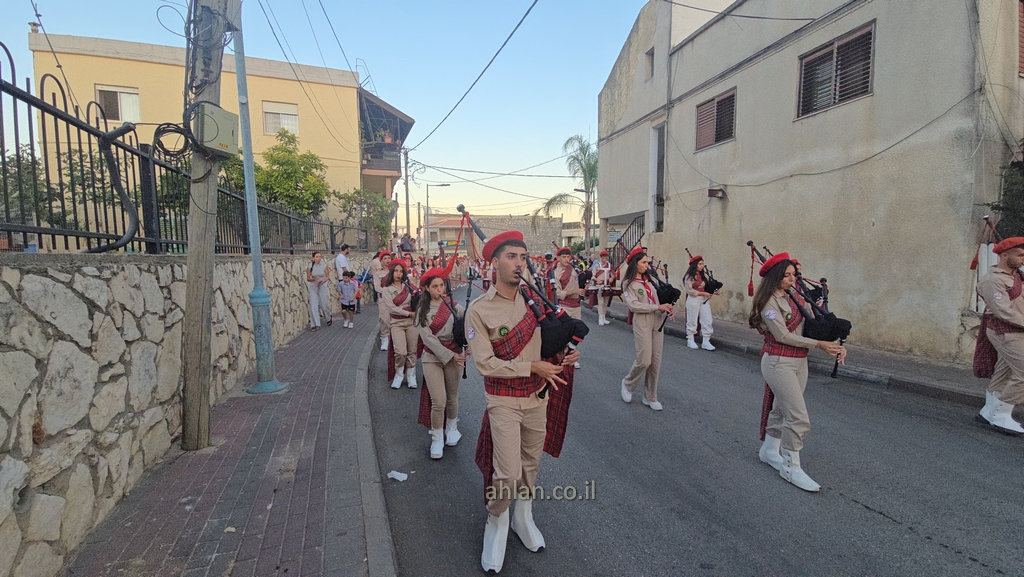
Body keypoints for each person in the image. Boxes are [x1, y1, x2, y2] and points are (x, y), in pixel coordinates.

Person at [468, 231, 579, 573]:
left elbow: (551, 343)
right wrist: (530, 366)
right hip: (503, 401)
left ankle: (523, 516)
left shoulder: (536, 301)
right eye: (511, 256)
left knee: (530, 464)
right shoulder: (479, 310)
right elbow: (484, 363)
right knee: (507, 473)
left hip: (537, 397)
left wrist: (566, 354)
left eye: (523, 257)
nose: (519, 263)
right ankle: (497, 519)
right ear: (495, 262)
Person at [750, 252, 846, 492]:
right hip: (779, 362)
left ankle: (769, 450)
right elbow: (782, 335)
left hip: (799, 361)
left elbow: (811, 328)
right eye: (787, 275)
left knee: (782, 409)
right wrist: (819, 345)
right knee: (798, 417)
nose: (793, 279)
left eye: (794, 274)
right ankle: (791, 467)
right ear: (775, 277)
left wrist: (835, 343)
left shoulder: (794, 297)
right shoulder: (768, 304)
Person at [415, 268, 469, 459]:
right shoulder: (422, 311)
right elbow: (428, 339)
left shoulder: (455, 306)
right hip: (432, 358)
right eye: (435, 286)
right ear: (427, 289)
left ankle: (452, 428)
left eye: (441, 285)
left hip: (455, 355)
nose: (440, 289)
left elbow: (471, 324)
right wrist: (450, 355)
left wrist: (471, 344)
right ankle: (437, 438)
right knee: (438, 401)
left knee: (452, 397)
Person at [976, 237, 1024, 434]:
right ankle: (1001, 414)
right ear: (1005, 255)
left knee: (1004, 372)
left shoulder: (1015, 275)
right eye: (1020, 255)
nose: (1023, 259)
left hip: (1016, 331)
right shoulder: (993, 280)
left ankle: (989, 411)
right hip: (1004, 331)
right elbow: (1003, 311)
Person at [619, 247, 674, 411]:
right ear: (635, 264)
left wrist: (667, 306)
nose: (647, 265)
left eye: (647, 262)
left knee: (655, 361)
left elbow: (659, 299)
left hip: (657, 320)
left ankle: (650, 396)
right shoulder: (628, 284)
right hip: (642, 321)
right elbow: (634, 306)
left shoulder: (650, 281)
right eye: (643, 262)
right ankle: (628, 383)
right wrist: (657, 306)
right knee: (644, 360)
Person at [381, 259, 421, 389]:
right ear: (392, 272)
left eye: (401, 271)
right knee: (400, 351)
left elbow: (419, 297)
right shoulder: (386, 289)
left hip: (411, 323)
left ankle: (411, 375)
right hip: (396, 323)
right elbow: (392, 308)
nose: (398, 273)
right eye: (396, 271)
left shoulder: (408, 286)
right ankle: (399, 374)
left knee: (412, 350)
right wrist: (408, 313)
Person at [553, 247, 584, 369]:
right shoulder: (556, 273)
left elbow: (579, 282)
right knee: (565, 333)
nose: (566, 259)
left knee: (576, 332)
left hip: (576, 305)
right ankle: (563, 356)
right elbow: (557, 293)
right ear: (558, 258)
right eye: (564, 257)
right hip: (564, 306)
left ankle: (571, 356)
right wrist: (575, 291)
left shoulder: (574, 269)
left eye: (568, 257)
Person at [683, 255, 716, 351]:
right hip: (694, 299)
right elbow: (690, 291)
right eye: (700, 264)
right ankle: (690, 339)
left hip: (703, 299)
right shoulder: (689, 277)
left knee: (707, 319)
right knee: (692, 319)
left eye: (702, 264)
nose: (702, 266)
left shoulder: (703, 276)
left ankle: (706, 341)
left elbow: (706, 287)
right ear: (695, 265)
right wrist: (703, 293)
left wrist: (712, 290)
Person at [305, 251, 332, 331]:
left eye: (320, 257)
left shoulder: (324, 266)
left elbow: (328, 276)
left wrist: (323, 281)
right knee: (313, 305)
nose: (318, 258)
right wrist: (313, 279)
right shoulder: (310, 266)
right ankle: (314, 324)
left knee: (324, 304)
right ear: (313, 258)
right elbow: (308, 278)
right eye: (317, 257)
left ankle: (328, 317)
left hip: (322, 285)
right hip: (314, 286)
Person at [373, 251, 393, 351]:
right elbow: (377, 287)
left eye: (388, 258)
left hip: (395, 299)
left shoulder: (395, 271)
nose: (387, 260)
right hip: (383, 299)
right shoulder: (378, 273)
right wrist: (387, 292)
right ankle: (384, 338)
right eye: (385, 258)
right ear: (381, 261)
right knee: (384, 319)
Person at [593, 250, 614, 326]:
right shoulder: (597, 266)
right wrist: (597, 280)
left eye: (605, 258)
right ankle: (600, 318)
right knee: (600, 302)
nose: (604, 259)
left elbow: (613, 274)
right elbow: (593, 276)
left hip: (607, 286)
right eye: (603, 258)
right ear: (600, 258)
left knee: (605, 302)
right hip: (600, 286)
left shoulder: (610, 265)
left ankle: (604, 317)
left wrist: (612, 278)